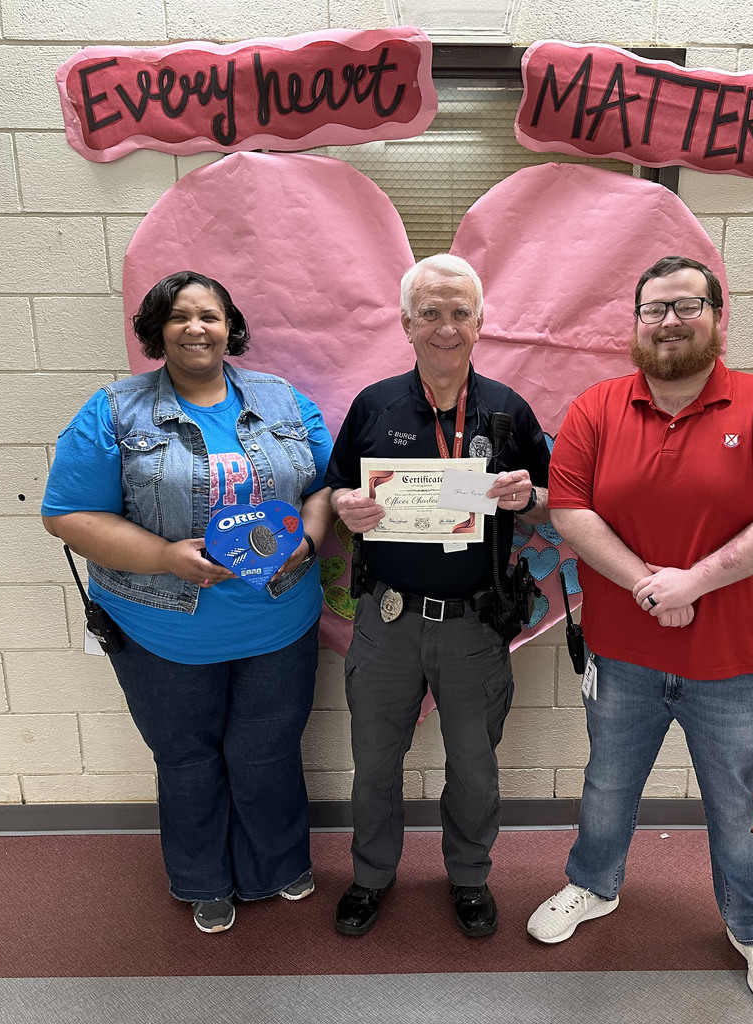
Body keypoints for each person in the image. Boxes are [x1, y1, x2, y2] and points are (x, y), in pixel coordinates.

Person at [528, 255, 753, 1003]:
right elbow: (570, 511)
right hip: (622, 654)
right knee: (606, 786)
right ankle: (593, 886)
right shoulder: (597, 408)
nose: (669, 322)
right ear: (634, 324)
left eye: (686, 306)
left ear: (718, 318)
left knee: (738, 805)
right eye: (654, 309)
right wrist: (649, 585)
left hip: (734, 660)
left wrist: (693, 582)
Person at [41, 271, 333, 934]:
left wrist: (310, 540)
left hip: (278, 620)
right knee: (187, 758)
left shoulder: (283, 400)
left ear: (231, 327)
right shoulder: (114, 411)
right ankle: (203, 878)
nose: (196, 327)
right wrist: (165, 556)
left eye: (210, 315)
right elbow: (67, 516)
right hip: (160, 630)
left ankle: (277, 866)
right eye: (179, 316)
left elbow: (327, 484)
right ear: (156, 329)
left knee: (268, 751)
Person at [325, 253, 551, 938]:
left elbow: (552, 506)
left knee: (475, 767)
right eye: (431, 312)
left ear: (480, 323)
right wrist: (347, 507)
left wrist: (529, 498)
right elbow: (335, 488)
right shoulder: (374, 404)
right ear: (406, 322)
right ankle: (370, 875)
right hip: (387, 617)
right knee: (374, 762)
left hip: (474, 624)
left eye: (459, 312)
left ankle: (470, 876)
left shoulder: (509, 411)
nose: (445, 326)